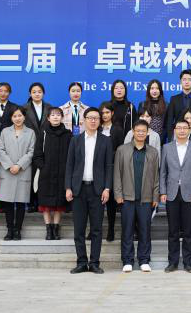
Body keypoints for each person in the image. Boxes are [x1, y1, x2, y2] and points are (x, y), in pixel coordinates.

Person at [65, 107, 113, 274]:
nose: (93, 121)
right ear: (84, 121)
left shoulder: (105, 141)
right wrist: (68, 187)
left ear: (100, 121)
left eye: (96, 118)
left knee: (96, 229)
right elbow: (69, 165)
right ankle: (81, 262)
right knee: (79, 229)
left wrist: (107, 188)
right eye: (90, 118)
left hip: (97, 190)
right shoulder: (75, 140)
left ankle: (94, 263)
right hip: (78, 190)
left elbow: (109, 166)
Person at [114, 120, 160, 273]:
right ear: (133, 132)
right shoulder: (122, 150)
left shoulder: (153, 152)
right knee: (127, 230)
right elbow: (117, 174)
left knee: (145, 230)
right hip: (127, 198)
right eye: (138, 130)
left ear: (148, 133)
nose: (140, 133)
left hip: (146, 198)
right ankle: (127, 260)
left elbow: (156, 177)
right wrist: (118, 194)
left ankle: (144, 260)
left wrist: (155, 196)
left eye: (143, 131)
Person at [160, 119, 191, 273]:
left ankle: (188, 263)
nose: (182, 131)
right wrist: (163, 191)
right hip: (171, 193)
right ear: (174, 130)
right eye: (179, 128)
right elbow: (163, 171)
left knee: (188, 231)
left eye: (185, 128)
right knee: (172, 231)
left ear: (190, 131)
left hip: (190, 195)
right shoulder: (166, 147)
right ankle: (172, 262)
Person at [33, 107, 72, 241]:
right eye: (53, 115)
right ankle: (48, 229)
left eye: (58, 115)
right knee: (46, 203)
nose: (55, 117)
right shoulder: (43, 133)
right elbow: (37, 154)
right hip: (46, 174)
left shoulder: (68, 134)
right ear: (48, 118)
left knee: (59, 204)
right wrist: (43, 168)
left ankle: (56, 228)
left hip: (62, 174)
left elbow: (71, 155)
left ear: (62, 117)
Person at [0, 107, 35, 241]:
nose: (17, 118)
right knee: (7, 203)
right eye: (14, 116)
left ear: (24, 117)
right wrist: (10, 165)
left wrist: (19, 165)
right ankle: (9, 230)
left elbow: (31, 151)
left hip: (23, 170)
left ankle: (18, 230)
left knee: (20, 202)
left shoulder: (30, 132)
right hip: (7, 170)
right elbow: (1, 150)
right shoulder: (5, 131)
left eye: (20, 116)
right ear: (11, 118)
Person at [24, 82, 51, 213]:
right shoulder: (24, 108)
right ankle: (31, 203)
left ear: (43, 93)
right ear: (30, 94)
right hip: (29, 144)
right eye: (34, 92)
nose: (37, 94)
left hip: (45, 144)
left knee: (43, 174)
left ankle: (41, 202)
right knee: (30, 173)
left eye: (39, 92)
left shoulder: (49, 107)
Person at [99, 102, 122, 242]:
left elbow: (120, 149)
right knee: (97, 202)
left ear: (112, 113)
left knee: (111, 202)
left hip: (111, 168)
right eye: (102, 113)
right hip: (97, 168)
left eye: (107, 112)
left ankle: (111, 229)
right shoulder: (97, 128)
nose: (105, 115)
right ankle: (96, 229)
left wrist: (108, 155)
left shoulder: (118, 129)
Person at [164, 69, 191, 144]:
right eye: (184, 79)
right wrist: (171, 136)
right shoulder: (174, 99)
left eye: (189, 79)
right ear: (180, 81)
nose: (187, 82)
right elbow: (170, 120)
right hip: (178, 135)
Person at [109, 79, 137, 147]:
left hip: (127, 142)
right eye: (116, 88)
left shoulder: (130, 106)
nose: (119, 90)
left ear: (125, 90)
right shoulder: (108, 106)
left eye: (121, 88)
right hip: (110, 141)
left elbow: (135, 124)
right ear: (112, 90)